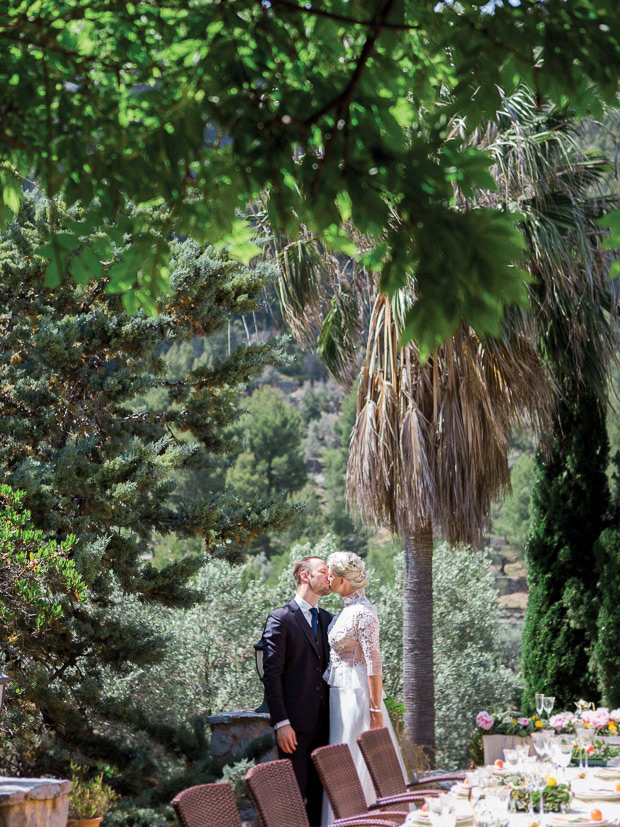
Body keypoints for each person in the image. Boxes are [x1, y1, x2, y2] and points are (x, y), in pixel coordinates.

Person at [321, 550, 407, 824]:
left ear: (343, 581)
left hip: (357, 698)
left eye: (331, 577)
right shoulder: (346, 610)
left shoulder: (364, 614)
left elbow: (374, 662)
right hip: (340, 698)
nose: (328, 581)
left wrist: (374, 709)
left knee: (358, 761)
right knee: (340, 764)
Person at [262, 556, 333, 827]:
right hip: (294, 730)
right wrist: (281, 722)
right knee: (293, 801)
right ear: (305, 576)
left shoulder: (329, 620)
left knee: (321, 801)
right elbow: (272, 675)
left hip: (327, 726)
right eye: (323, 571)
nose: (329, 577)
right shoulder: (280, 619)